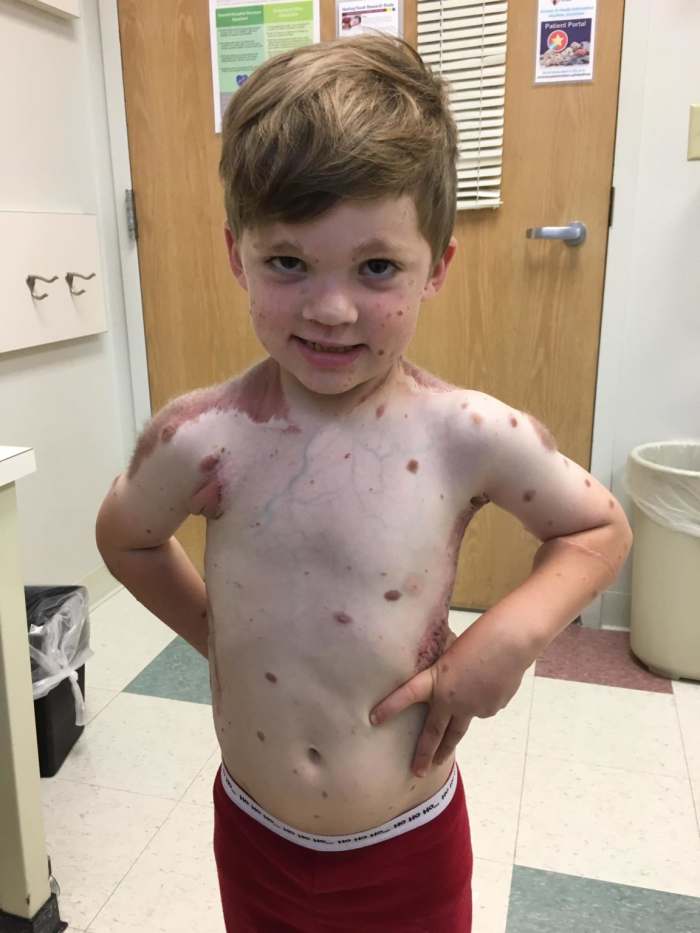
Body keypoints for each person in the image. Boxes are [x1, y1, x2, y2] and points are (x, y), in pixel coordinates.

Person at [95, 35, 633, 932]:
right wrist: (218, 637)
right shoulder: (203, 437)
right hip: (254, 831)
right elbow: (126, 537)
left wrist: (506, 638)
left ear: (439, 266)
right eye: (288, 262)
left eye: (377, 267)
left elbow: (600, 527)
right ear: (236, 255)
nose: (331, 308)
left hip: (407, 842)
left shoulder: (466, 433)